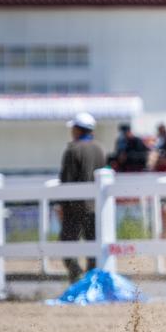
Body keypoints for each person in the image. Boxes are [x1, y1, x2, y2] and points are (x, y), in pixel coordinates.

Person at [59, 112, 106, 283]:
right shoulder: (100, 149)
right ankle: (91, 281)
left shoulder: (72, 150)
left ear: (78, 130)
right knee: (93, 246)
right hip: (96, 206)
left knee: (66, 245)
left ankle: (77, 277)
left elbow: (67, 181)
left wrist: (62, 206)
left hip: (74, 207)